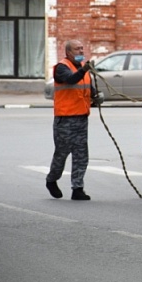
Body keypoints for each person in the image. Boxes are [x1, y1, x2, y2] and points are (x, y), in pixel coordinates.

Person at [45, 39, 100, 201]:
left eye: (82, 48)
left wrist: (96, 97)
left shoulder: (84, 70)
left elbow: (89, 90)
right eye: (77, 49)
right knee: (62, 154)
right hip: (65, 120)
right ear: (68, 52)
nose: (81, 51)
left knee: (81, 155)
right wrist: (84, 69)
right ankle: (51, 180)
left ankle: (78, 188)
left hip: (81, 118)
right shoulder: (62, 68)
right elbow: (71, 80)